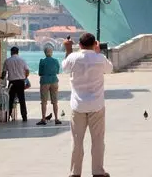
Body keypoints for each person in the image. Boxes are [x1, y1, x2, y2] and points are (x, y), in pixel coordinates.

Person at [63, 32, 112, 177]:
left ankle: (75, 172)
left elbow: (65, 68)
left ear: (80, 45)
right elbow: (110, 69)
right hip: (96, 104)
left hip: (78, 105)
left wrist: (68, 50)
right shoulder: (100, 58)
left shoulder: (73, 57)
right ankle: (98, 171)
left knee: (77, 141)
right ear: (94, 44)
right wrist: (97, 53)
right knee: (98, 140)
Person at [3, 46, 31, 122]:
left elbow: (4, 73)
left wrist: (1, 78)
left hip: (12, 82)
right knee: (22, 99)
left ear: (11, 52)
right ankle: (24, 116)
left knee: (10, 99)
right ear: (18, 52)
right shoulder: (22, 60)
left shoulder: (7, 61)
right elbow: (27, 70)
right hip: (20, 82)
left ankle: (8, 116)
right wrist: (25, 77)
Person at [37, 45, 62, 126]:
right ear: (52, 52)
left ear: (45, 53)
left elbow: (40, 73)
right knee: (55, 101)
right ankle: (56, 118)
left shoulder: (42, 61)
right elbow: (58, 72)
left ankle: (43, 119)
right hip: (54, 81)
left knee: (44, 101)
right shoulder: (56, 61)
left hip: (44, 81)